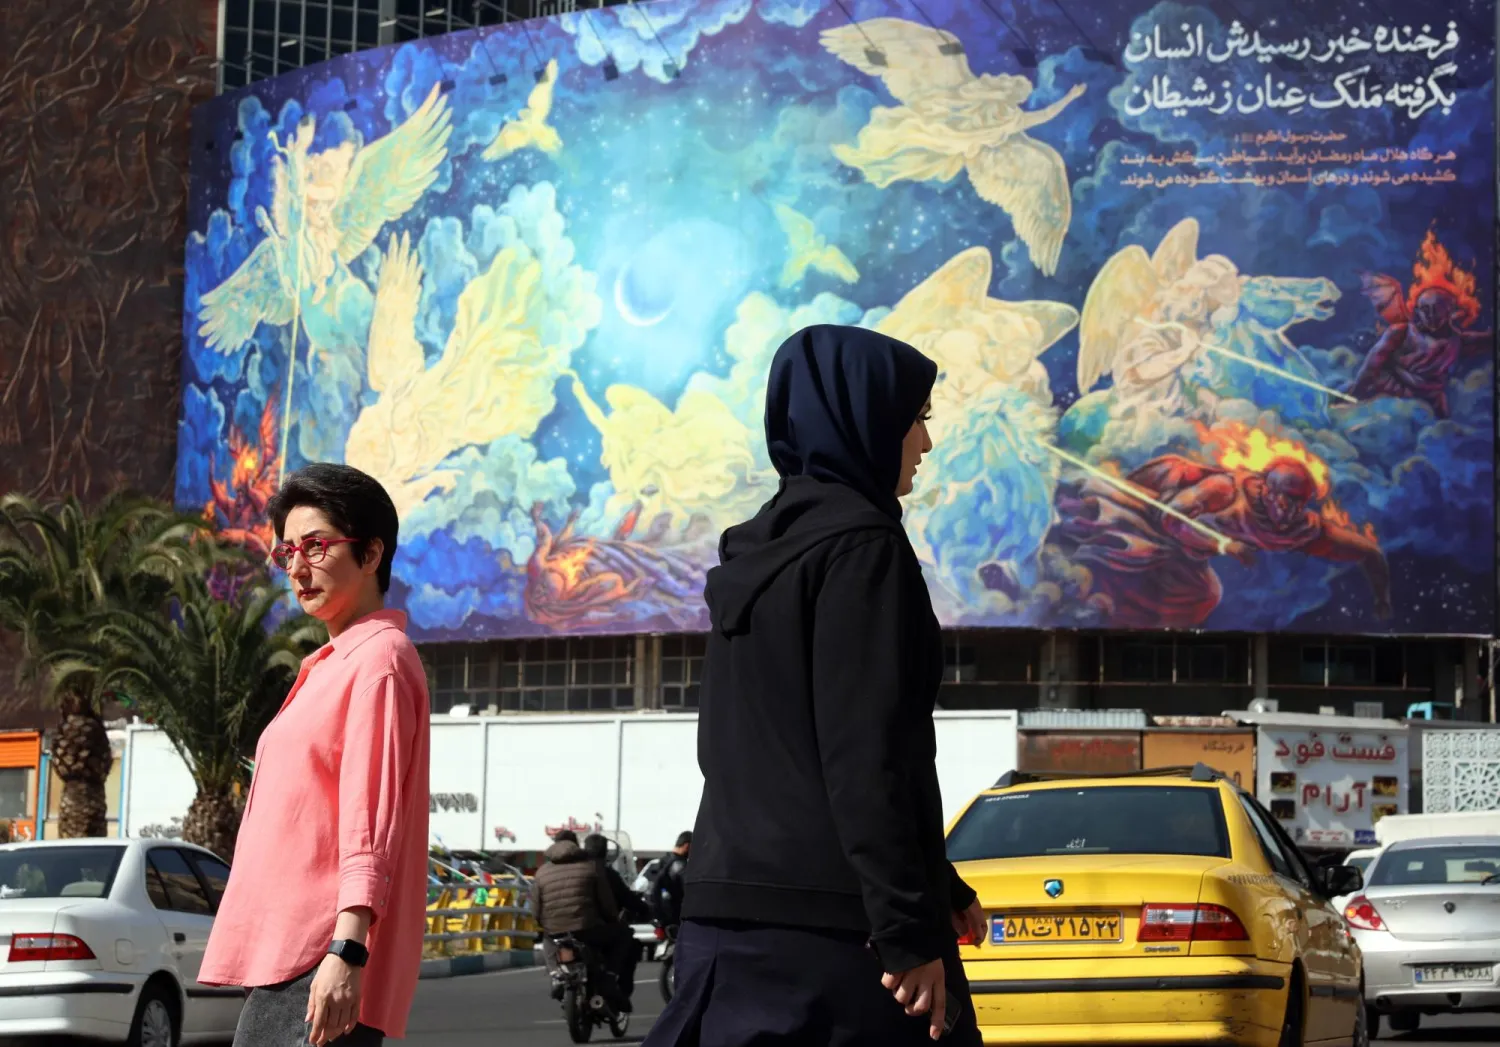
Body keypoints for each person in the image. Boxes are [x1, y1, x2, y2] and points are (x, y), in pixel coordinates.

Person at [645, 326, 985, 1046]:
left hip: (724, 921)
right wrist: (907, 929)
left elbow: (786, 746)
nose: (924, 442)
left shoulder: (758, 554)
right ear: (862, 417)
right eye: (917, 418)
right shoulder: (864, 549)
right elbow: (868, 754)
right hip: (835, 940)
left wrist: (940, 889)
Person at [200, 463, 432, 1046]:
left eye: (317, 547)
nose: (298, 569)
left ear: (372, 553)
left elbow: (368, 821)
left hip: (318, 955)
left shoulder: (379, 659)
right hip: (292, 957)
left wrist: (347, 951)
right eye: (287, 553)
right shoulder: (333, 666)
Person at [532, 832, 635, 1011]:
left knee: (548, 940)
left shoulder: (541, 873)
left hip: (556, 932)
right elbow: (606, 903)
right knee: (624, 935)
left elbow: (535, 910)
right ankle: (609, 977)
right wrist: (612, 920)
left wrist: (545, 925)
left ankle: (556, 974)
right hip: (587, 929)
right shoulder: (589, 867)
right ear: (575, 845)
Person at [649, 831, 691, 929]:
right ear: (687, 846)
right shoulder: (680, 865)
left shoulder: (663, 861)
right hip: (675, 918)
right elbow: (688, 890)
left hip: (659, 915)